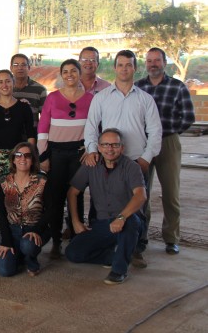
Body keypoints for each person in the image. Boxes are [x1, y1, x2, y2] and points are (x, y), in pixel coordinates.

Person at [84, 49, 162, 268]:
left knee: (138, 204)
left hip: (136, 161)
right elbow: (91, 127)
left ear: (135, 68)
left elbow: (155, 131)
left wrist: (146, 158)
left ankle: (137, 248)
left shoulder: (145, 99)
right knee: (101, 203)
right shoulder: (101, 98)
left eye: (129, 65)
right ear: (114, 68)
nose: (124, 69)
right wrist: (92, 150)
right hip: (106, 160)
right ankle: (104, 244)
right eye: (120, 65)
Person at [66, 129, 146, 285]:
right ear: (99, 147)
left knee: (132, 222)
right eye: (105, 145)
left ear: (122, 148)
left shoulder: (131, 167)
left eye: (115, 145)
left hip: (127, 221)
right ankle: (113, 256)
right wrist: (75, 221)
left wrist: (121, 218)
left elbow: (140, 196)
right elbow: (72, 193)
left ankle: (119, 270)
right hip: (103, 223)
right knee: (73, 253)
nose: (110, 149)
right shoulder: (91, 165)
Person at [135, 47, 195, 255]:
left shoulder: (177, 87)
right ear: (145, 64)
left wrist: (165, 132)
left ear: (164, 63)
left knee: (170, 192)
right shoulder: (138, 87)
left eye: (157, 60)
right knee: (141, 191)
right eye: (149, 61)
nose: (153, 64)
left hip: (168, 142)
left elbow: (188, 117)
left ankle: (171, 238)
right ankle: (141, 235)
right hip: (143, 144)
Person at [37, 59, 93, 259]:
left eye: (73, 71)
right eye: (66, 71)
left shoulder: (90, 99)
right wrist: (43, 156)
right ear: (61, 75)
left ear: (79, 74)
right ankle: (56, 241)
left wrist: (90, 149)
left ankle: (77, 239)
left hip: (79, 154)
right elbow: (42, 129)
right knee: (56, 198)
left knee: (76, 195)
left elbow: (94, 127)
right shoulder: (52, 98)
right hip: (56, 154)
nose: (70, 75)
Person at [0, 69, 36, 246]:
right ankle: (0, 239)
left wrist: (30, 157)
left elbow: (31, 134)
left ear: (13, 83)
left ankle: (19, 237)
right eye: (1, 82)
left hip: (18, 159)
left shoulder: (24, 107)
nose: (4, 85)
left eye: (8, 81)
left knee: (17, 199)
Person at [0, 142, 49, 277]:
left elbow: (51, 210)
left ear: (33, 160)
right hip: (12, 230)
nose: (22, 158)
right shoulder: (4, 182)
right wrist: (5, 240)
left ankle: (31, 261)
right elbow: (1, 213)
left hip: (33, 230)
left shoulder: (42, 181)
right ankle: (19, 256)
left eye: (27, 155)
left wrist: (37, 230)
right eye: (18, 155)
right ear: (13, 159)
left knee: (28, 245)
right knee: (5, 271)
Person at [11, 53, 47, 128]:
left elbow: (45, 118)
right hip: (9, 132)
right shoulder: (4, 88)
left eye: (23, 65)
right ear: (11, 68)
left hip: (32, 133)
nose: (20, 68)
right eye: (16, 65)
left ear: (29, 67)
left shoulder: (40, 90)